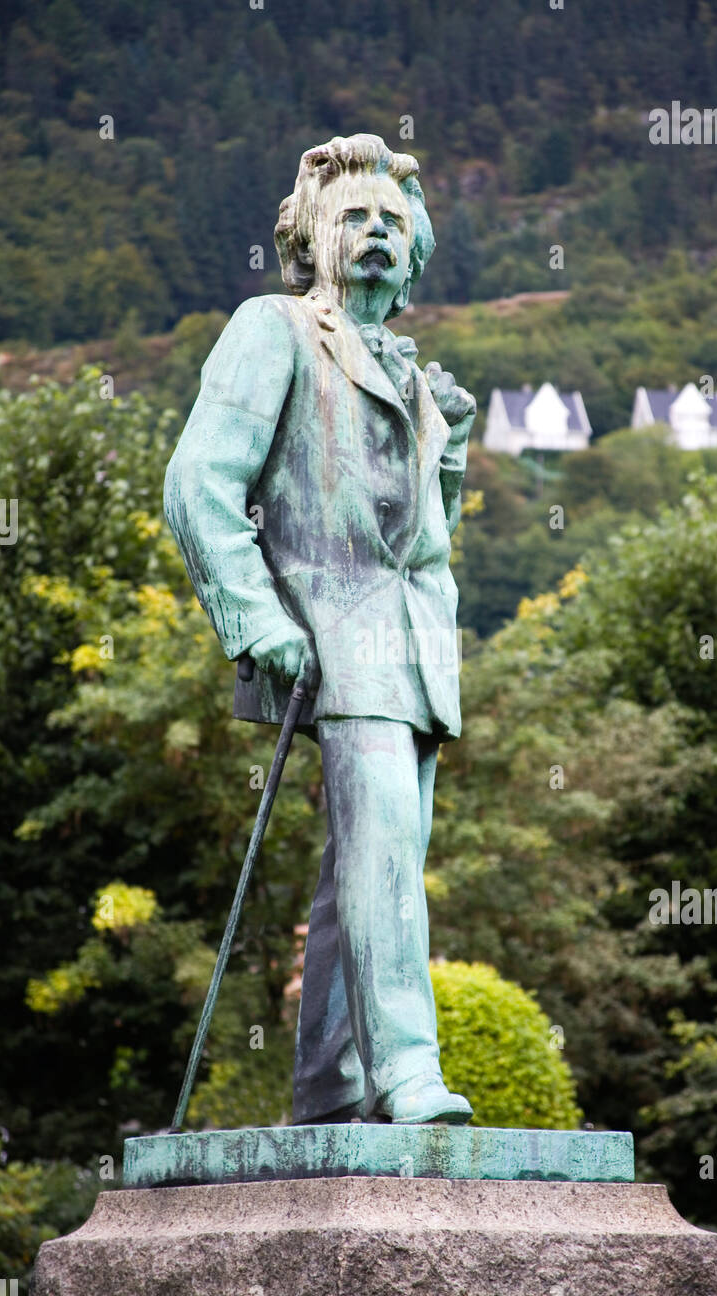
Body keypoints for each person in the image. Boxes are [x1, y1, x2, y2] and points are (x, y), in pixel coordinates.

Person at [164, 133, 476, 1124]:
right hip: (330, 623)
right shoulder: (275, 329)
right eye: (355, 220)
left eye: (393, 222)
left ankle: (330, 1087)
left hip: (414, 644)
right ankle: (408, 1074)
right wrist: (255, 616)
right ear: (313, 239)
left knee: (366, 865)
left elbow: (420, 538)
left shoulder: (418, 375)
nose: (376, 235)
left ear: (416, 249)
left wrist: (451, 451)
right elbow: (196, 483)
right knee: (379, 845)